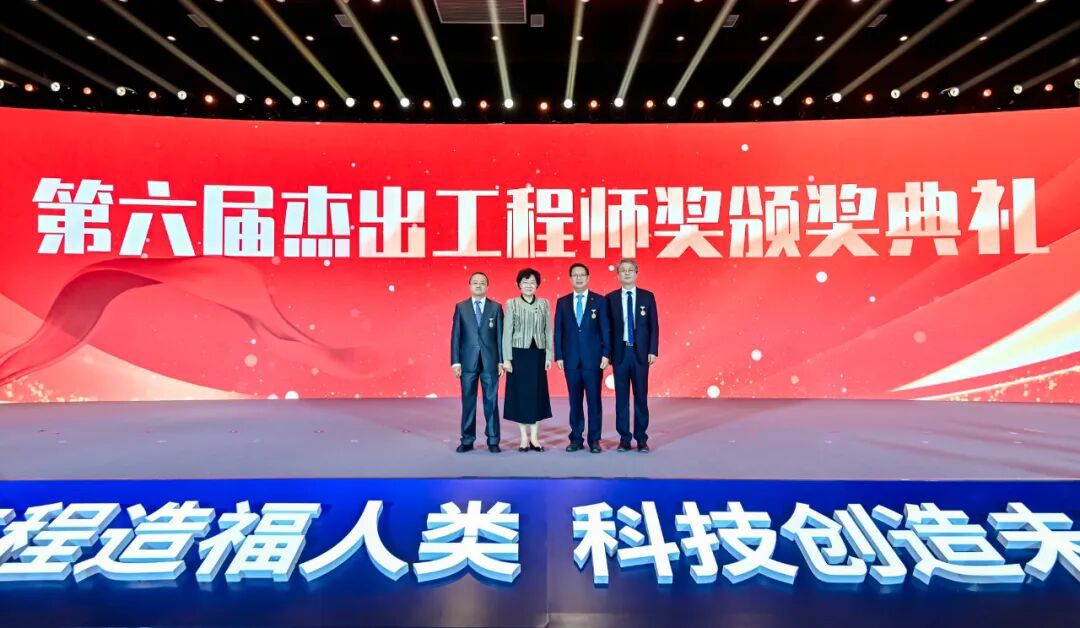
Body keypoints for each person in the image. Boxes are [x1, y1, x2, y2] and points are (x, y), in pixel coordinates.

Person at [554, 263, 611, 453]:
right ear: (570, 278)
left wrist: (606, 354)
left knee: (594, 401)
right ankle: (576, 438)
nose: (578, 278)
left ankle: (594, 440)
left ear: (588, 277)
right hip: (570, 360)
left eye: (582, 275)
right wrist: (559, 355)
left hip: (593, 360)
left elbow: (606, 329)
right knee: (575, 401)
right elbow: (558, 331)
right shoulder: (562, 302)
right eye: (575, 275)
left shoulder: (600, 301)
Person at [606, 258, 659, 452]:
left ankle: (641, 438)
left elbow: (654, 326)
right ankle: (624, 438)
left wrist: (653, 350)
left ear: (636, 273)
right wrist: (607, 353)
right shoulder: (610, 298)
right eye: (623, 270)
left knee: (640, 397)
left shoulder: (647, 297)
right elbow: (607, 329)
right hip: (620, 354)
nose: (627, 273)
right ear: (618, 275)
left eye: (630, 270)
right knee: (621, 399)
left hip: (640, 354)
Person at [450, 271, 504, 453]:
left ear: (487, 286)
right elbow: (456, 336)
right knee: (468, 401)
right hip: (467, 362)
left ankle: (493, 440)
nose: (479, 285)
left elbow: (500, 336)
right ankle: (467, 439)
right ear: (470, 286)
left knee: (491, 401)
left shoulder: (496, 307)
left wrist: (501, 361)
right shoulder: (461, 307)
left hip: (490, 361)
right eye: (475, 282)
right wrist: (455, 362)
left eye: (482, 282)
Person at [502, 268, 553, 452]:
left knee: (537, 395)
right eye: (525, 282)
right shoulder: (512, 304)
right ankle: (523, 438)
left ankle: (535, 438)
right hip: (518, 354)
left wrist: (549, 355)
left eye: (532, 282)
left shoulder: (544, 303)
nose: (529, 285)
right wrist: (506, 359)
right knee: (520, 395)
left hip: (538, 354)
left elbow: (548, 330)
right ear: (519, 285)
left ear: (537, 285)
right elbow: (507, 332)